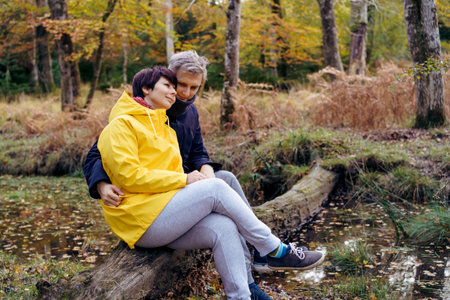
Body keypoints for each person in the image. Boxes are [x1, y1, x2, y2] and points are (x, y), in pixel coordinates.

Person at [94, 66, 324, 300]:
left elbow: (192, 157)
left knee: (224, 226)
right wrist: (185, 179)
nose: (175, 93)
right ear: (146, 88)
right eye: (169, 86)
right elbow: (129, 176)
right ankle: (274, 250)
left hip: (163, 213)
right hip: (140, 220)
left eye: (177, 88)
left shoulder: (164, 127)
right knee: (214, 188)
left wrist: (194, 178)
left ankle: (243, 295)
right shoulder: (122, 125)